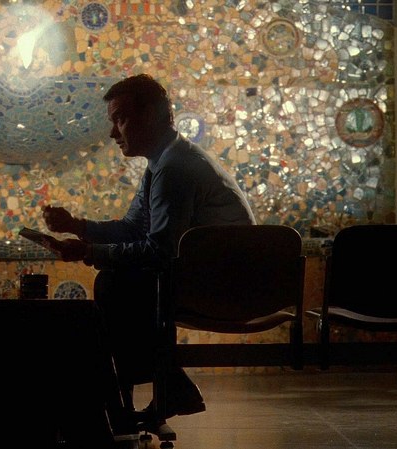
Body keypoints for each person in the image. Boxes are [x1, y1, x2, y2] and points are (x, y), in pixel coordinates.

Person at [42, 74, 256, 434]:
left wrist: (90, 251)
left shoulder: (174, 168)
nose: (113, 133)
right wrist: (77, 226)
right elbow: (134, 228)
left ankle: (141, 396)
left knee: (116, 286)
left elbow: (159, 250)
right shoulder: (165, 161)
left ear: (153, 115)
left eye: (120, 119)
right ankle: (163, 389)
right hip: (212, 278)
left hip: (224, 288)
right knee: (120, 283)